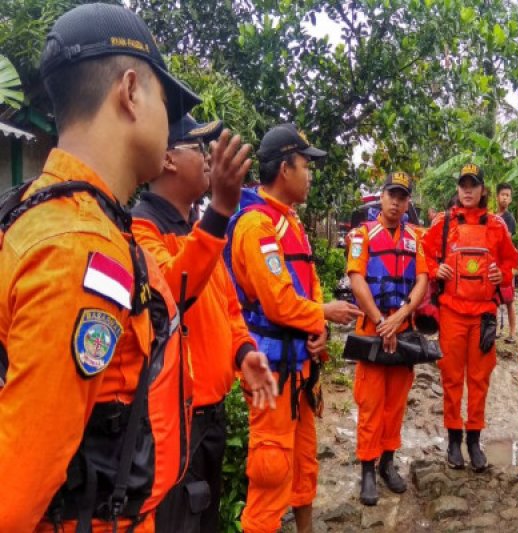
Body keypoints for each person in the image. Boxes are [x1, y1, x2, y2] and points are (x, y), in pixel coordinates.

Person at [0, 4, 201, 531]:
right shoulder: (78, 251)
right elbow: (12, 501)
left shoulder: (46, 211)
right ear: (131, 91)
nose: (172, 124)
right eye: (166, 99)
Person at [131, 114, 278, 532]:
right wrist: (220, 211)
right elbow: (174, 293)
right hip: (175, 423)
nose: (211, 161)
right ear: (168, 159)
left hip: (210, 418)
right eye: (200, 149)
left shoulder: (198, 232)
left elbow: (229, 309)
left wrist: (244, 351)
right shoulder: (141, 229)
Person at [224, 123, 363, 532]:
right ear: (285, 169)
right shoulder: (257, 226)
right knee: (270, 470)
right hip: (272, 374)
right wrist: (323, 313)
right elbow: (278, 301)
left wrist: (318, 329)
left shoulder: (291, 222)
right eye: (306, 165)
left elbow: (310, 281)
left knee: (303, 464)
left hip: (300, 369)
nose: (310, 174)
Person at [422, 163, 518, 472]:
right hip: (451, 313)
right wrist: (436, 269)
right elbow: (422, 255)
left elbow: (509, 266)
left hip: (484, 317)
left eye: (472, 185)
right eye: (463, 184)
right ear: (458, 189)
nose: (467, 190)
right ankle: (453, 440)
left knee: (479, 380)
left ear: (482, 190)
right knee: (451, 378)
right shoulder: (443, 223)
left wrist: (499, 273)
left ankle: (474, 439)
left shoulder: (497, 226)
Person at [346, 171, 429, 505]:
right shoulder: (361, 235)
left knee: (396, 404)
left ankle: (387, 462)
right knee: (370, 404)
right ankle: (367, 467)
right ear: (381, 197)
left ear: (408, 202)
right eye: (392, 195)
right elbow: (356, 279)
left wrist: (400, 317)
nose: (396, 202)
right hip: (372, 332)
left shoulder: (415, 237)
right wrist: (383, 322)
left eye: (403, 197)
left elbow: (422, 280)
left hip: (403, 330)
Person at [495, 183, 517, 342]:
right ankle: (496, 329)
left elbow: (506, 239)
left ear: (510, 199)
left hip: (506, 263)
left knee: (509, 301)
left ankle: (513, 333)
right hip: (495, 262)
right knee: (494, 298)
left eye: (507, 195)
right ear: (497, 197)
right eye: (502, 194)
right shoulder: (494, 216)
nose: (504, 197)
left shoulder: (508, 218)